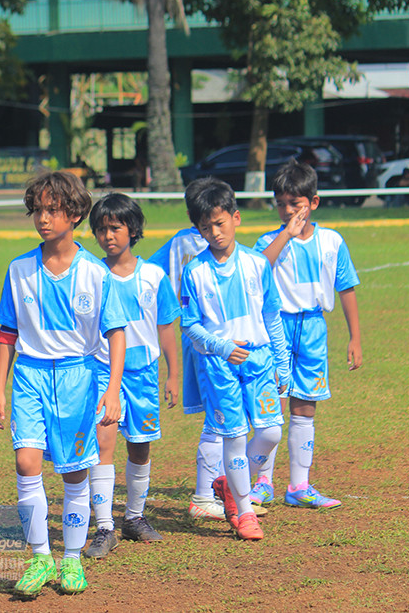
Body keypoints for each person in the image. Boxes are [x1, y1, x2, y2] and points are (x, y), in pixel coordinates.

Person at [0, 171, 126, 597]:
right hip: (29, 376)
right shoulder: (20, 269)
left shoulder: (96, 273)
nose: (43, 219)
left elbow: (117, 332)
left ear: (76, 214)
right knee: (26, 463)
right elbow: (8, 333)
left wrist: (113, 387)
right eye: (38, 210)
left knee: (73, 473)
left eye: (53, 210)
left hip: (78, 377)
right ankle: (39, 558)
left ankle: (71, 561)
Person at [180, 177, 291, 541]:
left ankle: (230, 481)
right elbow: (190, 326)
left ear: (236, 218)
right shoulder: (194, 271)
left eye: (219, 222)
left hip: (259, 360)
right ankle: (244, 512)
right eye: (205, 226)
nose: (214, 232)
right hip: (219, 366)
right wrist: (221, 346)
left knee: (272, 432)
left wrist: (281, 361)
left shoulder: (258, 265)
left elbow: (272, 316)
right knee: (234, 436)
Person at [250, 161, 362, 511]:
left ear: (313, 202)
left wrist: (354, 338)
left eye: (295, 204)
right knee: (272, 404)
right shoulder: (269, 241)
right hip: (275, 327)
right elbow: (255, 272)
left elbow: (346, 288)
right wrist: (285, 234)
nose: (288, 211)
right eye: (281, 203)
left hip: (313, 327)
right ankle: (262, 482)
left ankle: (299, 485)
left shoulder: (331, 241)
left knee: (305, 404)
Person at [83, 193, 180, 559]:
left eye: (115, 227)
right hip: (102, 371)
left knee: (140, 445)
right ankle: (104, 525)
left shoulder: (154, 276)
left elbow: (167, 326)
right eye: (101, 229)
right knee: (102, 445)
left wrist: (172, 375)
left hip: (142, 374)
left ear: (133, 230)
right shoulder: (91, 274)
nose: (108, 235)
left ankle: (134, 517)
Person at [147, 195, 227, 522]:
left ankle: (225, 490)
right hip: (202, 339)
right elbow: (147, 271)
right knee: (221, 415)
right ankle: (207, 494)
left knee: (227, 415)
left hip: (219, 339)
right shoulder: (184, 245)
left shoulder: (202, 242)